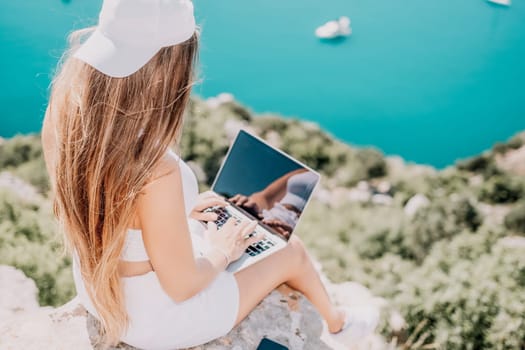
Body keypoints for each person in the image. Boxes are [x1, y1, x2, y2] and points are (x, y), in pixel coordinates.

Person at [41, 0, 379, 348]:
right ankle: (340, 326)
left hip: (99, 290)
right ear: (165, 68)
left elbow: (108, 206)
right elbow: (182, 285)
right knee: (290, 251)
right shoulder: (156, 171)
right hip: (154, 319)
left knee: (243, 228)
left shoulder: (63, 114)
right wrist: (222, 251)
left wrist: (173, 216)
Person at [230, 169, 319, 238]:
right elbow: (265, 197)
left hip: (290, 233)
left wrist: (294, 237)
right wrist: (250, 203)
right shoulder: (306, 170)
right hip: (266, 217)